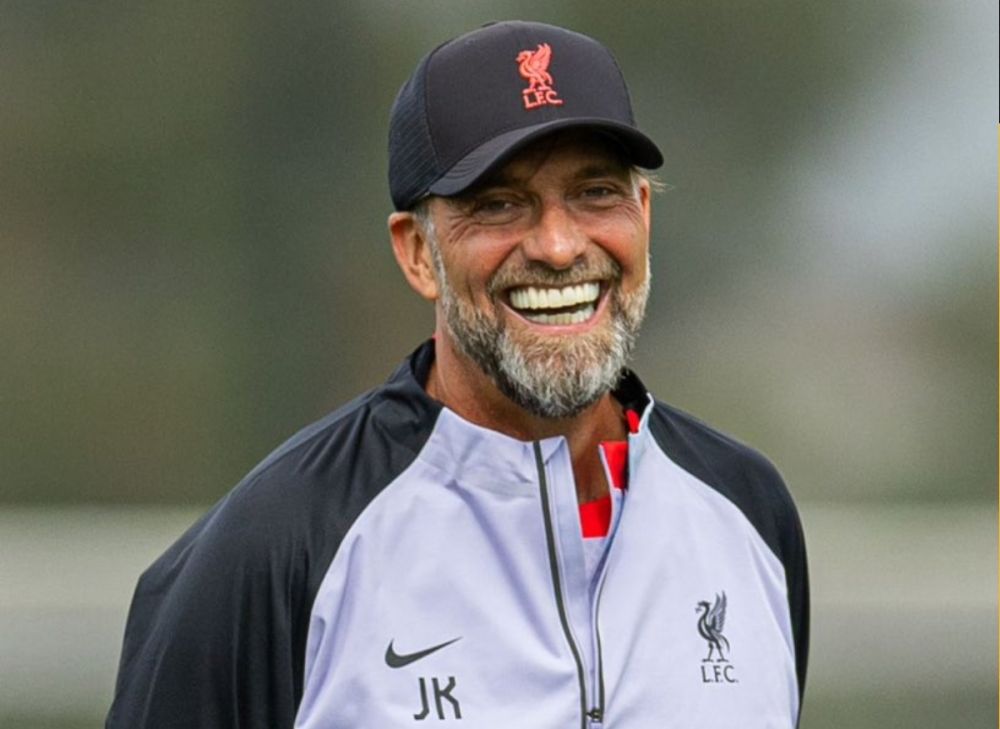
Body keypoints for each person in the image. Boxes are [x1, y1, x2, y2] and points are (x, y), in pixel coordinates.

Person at [106, 20, 808, 728]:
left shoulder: (747, 511)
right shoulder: (280, 546)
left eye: (596, 193)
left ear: (644, 217)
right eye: (498, 204)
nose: (559, 247)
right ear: (418, 252)